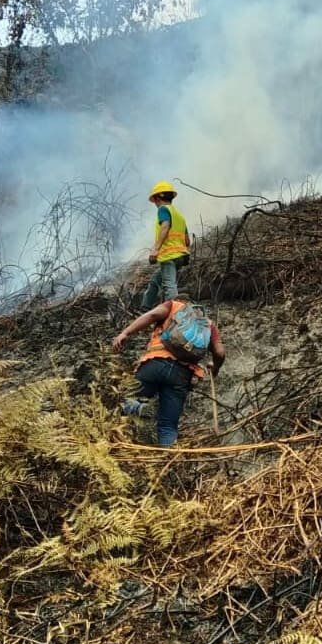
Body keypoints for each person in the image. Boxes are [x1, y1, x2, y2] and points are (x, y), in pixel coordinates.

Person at [110, 297, 226, 447]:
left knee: (127, 401)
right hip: (181, 375)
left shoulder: (174, 306)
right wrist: (215, 368)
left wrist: (125, 333)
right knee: (168, 426)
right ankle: (167, 459)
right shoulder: (208, 325)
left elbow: (151, 315)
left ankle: (122, 436)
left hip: (155, 363)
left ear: (184, 301)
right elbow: (220, 352)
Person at [141, 180, 191, 309]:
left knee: (169, 285)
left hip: (169, 256)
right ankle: (145, 307)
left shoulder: (163, 210)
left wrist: (155, 249)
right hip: (181, 256)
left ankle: (175, 313)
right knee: (156, 281)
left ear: (157, 198)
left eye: (155, 200)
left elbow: (165, 226)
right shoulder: (179, 215)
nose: (155, 204)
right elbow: (187, 241)